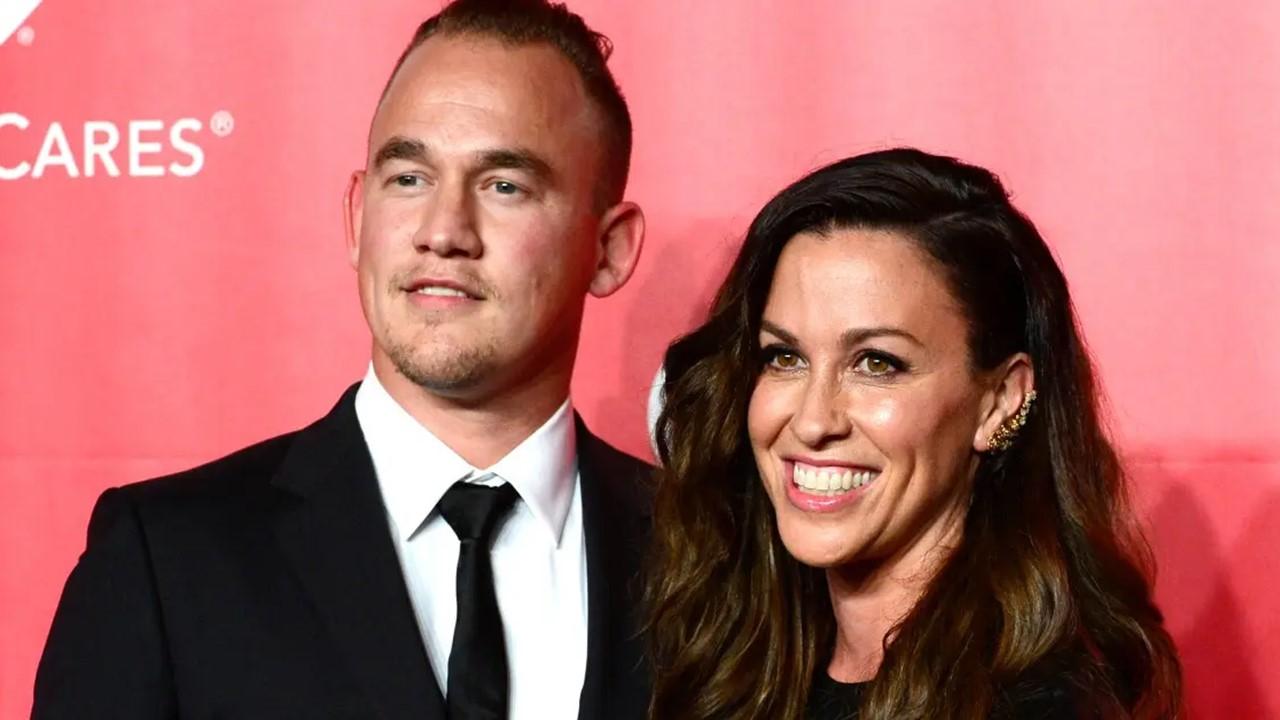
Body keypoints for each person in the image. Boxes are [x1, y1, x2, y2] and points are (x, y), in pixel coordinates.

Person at [33, 1, 651, 718]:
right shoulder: (164, 563)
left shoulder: (716, 555)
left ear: (608, 250)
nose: (443, 231)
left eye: (503, 186)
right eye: (409, 178)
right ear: (357, 217)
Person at [645, 148, 1183, 719]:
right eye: (784, 357)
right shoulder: (735, 664)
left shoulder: (1038, 707)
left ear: (999, 401)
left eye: (877, 363)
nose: (812, 421)